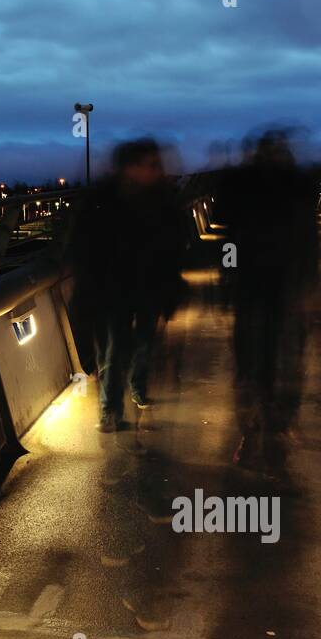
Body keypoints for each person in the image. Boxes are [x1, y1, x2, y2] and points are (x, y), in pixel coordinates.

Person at [214, 129, 319, 465]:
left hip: (262, 283)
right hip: (271, 283)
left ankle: (255, 421)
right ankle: (269, 421)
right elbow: (307, 238)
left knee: (257, 353)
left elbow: (228, 231)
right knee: (271, 352)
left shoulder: (252, 187)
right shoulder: (292, 187)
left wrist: (227, 275)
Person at [67, 138, 186, 432]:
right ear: (130, 167)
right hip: (115, 288)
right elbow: (83, 247)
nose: (155, 170)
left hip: (148, 286)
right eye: (149, 165)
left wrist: (170, 287)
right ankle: (111, 409)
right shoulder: (105, 200)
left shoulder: (163, 201)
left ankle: (137, 388)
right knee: (116, 347)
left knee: (143, 342)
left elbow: (174, 248)